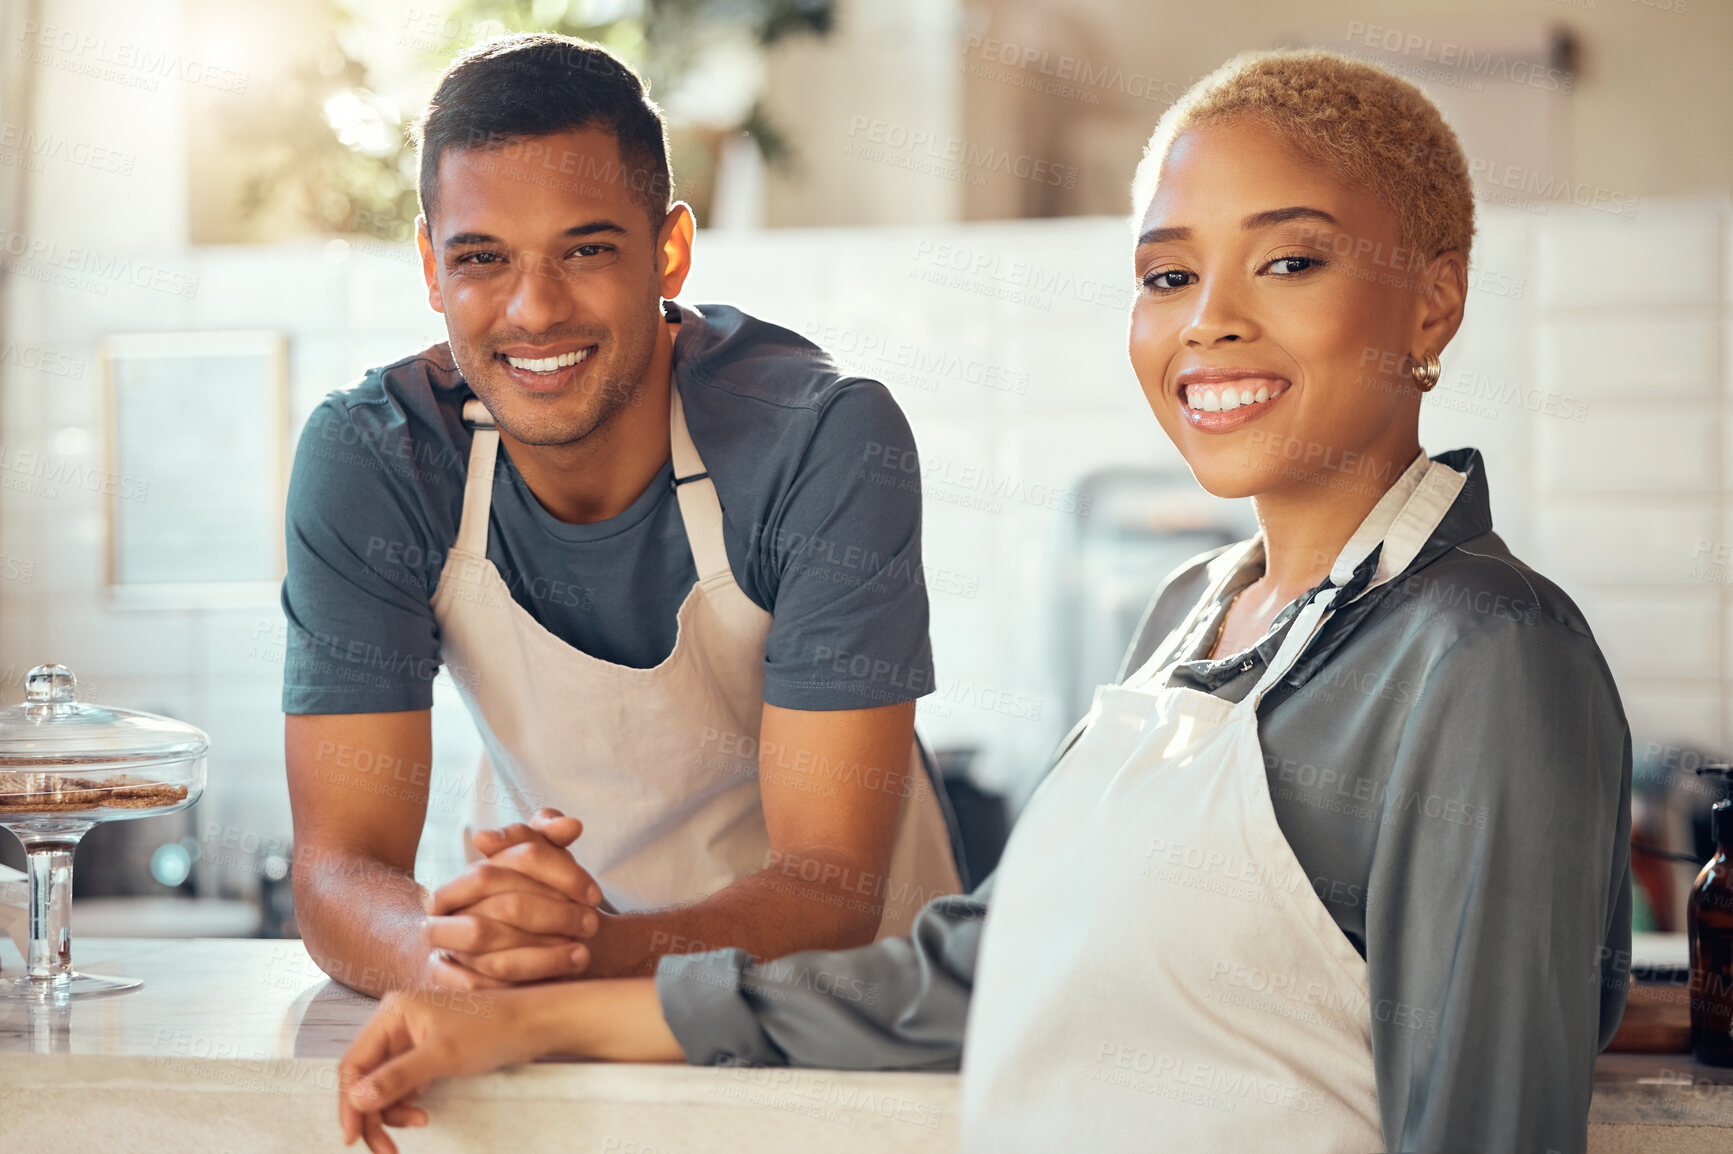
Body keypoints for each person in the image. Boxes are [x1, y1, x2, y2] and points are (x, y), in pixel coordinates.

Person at [335, 49, 1633, 1154]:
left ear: (1436, 295)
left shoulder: (1481, 656)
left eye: (1288, 262)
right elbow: (968, 975)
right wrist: (528, 1016)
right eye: (1170, 276)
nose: (1210, 323)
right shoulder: (1192, 616)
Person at [283, 32, 964, 1003]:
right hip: (556, 1013)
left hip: (840, 1013)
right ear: (432, 270)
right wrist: (457, 954)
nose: (533, 309)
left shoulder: (823, 440)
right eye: (481, 258)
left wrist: (587, 954)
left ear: (670, 251)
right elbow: (336, 869)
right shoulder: (377, 457)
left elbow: (831, 883)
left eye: (585, 248)